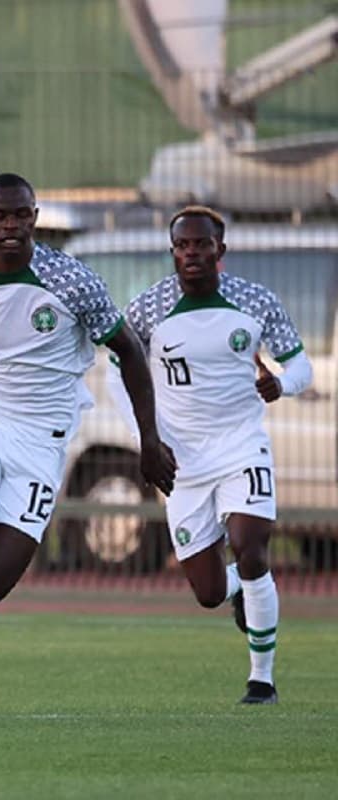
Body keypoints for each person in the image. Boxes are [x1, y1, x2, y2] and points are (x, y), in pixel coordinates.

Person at [0, 173, 177, 718]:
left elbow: (131, 353)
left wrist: (149, 440)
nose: (11, 226)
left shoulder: (73, 282)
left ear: (34, 218)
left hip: (42, 444)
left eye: (21, 215)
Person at [110, 206, 311, 704]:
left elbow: (301, 365)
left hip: (243, 445)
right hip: (184, 463)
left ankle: (261, 680)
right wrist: (148, 437)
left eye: (202, 245)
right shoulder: (147, 309)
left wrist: (280, 384)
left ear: (220, 250)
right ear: (173, 251)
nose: (192, 253)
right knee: (206, 591)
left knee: (251, 548)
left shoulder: (256, 301)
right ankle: (239, 592)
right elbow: (121, 371)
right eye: (183, 246)